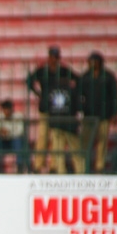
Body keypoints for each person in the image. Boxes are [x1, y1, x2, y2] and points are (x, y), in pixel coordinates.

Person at [26, 45, 79, 173]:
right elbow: (29, 81)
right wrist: (39, 94)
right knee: (43, 137)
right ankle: (39, 164)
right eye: (52, 57)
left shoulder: (64, 70)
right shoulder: (42, 70)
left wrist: (69, 93)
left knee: (56, 138)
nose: (54, 60)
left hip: (59, 109)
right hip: (46, 107)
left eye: (56, 57)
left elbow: (77, 79)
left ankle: (54, 165)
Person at [80, 51, 117, 173]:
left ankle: (99, 166)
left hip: (104, 114)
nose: (92, 64)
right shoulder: (85, 77)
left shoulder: (108, 77)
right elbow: (79, 94)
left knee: (102, 142)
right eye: (90, 62)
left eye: (95, 62)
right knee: (85, 141)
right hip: (89, 115)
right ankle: (84, 165)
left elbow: (114, 96)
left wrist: (114, 113)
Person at [0, 99, 27, 173]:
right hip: (3, 142)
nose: (6, 112)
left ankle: (20, 165)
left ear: (11, 109)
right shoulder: (0, 116)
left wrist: (8, 132)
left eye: (7, 109)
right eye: (4, 109)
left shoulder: (18, 116)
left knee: (18, 141)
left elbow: (20, 132)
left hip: (14, 142)